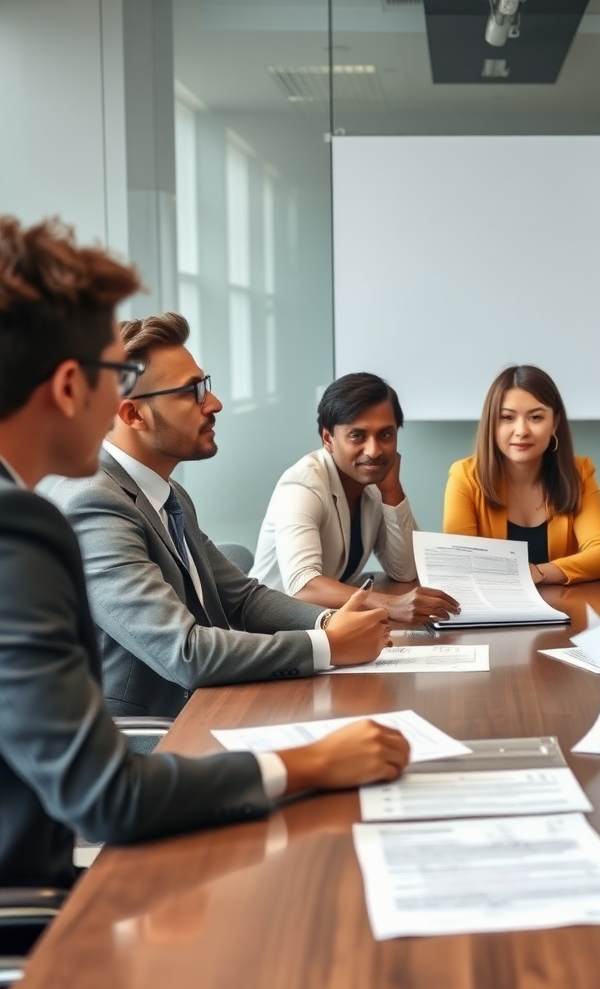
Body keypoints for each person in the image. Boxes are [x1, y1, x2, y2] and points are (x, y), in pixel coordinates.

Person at [0, 216, 409, 891]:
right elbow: (108, 792)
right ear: (73, 386)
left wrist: (330, 631)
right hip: (42, 895)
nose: (211, 401)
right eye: (114, 375)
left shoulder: (158, 497)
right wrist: (308, 764)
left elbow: (240, 595)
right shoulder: (34, 524)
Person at [48, 312, 392, 719]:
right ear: (133, 415)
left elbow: (243, 599)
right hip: (151, 736)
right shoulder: (93, 504)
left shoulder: (169, 493)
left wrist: (332, 621)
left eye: (204, 385)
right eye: (191, 391)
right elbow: (184, 652)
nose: (214, 403)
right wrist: (329, 645)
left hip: (212, 702)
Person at [251, 372, 459, 625]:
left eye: (385, 435)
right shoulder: (302, 485)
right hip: (271, 632)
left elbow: (404, 571)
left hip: (322, 625)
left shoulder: (372, 485)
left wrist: (392, 490)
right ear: (328, 438)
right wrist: (390, 604)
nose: (374, 451)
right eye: (357, 436)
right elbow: (302, 586)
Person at [443, 365, 600, 585]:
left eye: (535, 417)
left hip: (565, 609)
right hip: (494, 609)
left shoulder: (578, 473)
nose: (521, 430)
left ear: (554, 423)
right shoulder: (465, 477)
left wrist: (538, 573)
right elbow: (462, 564)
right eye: (507, 417)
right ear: (491, 424)